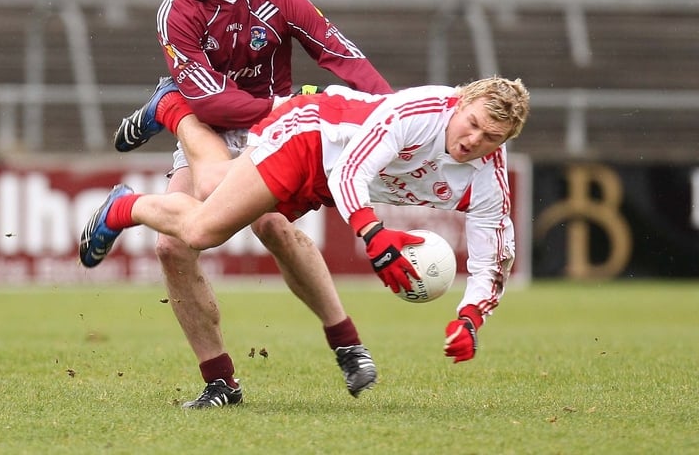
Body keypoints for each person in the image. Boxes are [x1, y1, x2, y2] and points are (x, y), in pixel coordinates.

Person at [95, 0, 393, 408]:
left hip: (267, 134)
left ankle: (347, 345)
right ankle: (220, 382)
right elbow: (210, 99)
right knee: (172, 247)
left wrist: (395, 112)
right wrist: (288, 105)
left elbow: (342, 56)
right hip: (208, 124)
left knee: (273, 226)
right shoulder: (179, 9)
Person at [81, 76, 531, 381]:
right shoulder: (423, 110)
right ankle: (129, 200)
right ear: (462, 102)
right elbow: (352, 170)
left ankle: (173, 109)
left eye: (491, 138)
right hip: (311, 133)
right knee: (201, 231)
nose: (475, 140)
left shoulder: (487, 175)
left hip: (328, 178)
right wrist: (375, 237)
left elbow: (494, 256)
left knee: (241, 206)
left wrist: (472, 318)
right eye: (473, 124)